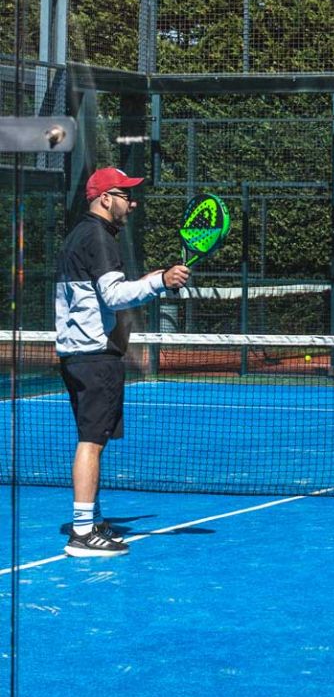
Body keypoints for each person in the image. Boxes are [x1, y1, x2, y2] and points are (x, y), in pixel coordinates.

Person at [55, 167, 190, 557]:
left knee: (93, 439)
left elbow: (98, 296)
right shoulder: (99, 237)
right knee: (91, 442)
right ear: (104, 198)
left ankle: (90, 520)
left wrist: (151, 280)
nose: (132, 203)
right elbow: (114, 297)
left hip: (80, 352)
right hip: (93, 355)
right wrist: (160, 281)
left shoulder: (82, 234)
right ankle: (82, 534)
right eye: (125, 195)